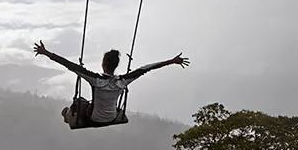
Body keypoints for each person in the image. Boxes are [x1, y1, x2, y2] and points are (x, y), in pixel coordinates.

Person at [33, 41, 189, 125]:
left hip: (93, 118)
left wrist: (46, 53)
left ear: (103, 64)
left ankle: (66, 115)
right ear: (115, 66)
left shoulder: (96, 80)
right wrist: (171, 61)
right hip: (113, 117)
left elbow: (68, 64)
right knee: (92, 103)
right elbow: (147, 68)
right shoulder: (123, 81)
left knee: (78, 103)